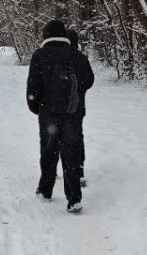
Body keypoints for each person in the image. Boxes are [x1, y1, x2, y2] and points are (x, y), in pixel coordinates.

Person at [26, 20, 94, 214]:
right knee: (70, 153)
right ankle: (73, 199)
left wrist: (35, 106)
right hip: (72, 113)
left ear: (46, 35)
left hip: (48, 113)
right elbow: (89, 80)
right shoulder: (76, 55)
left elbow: (34, 84)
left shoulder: (40, 55)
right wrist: (76, 93)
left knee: (49, 151)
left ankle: (45, 190)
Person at [65, 26, 88, 187]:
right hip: (78, 106)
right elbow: (89, 79)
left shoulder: (56, 57)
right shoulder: (80, 58)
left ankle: (57, 168)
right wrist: (79, 89)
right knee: (77, 136)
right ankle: (79, 170)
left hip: (57, 107)